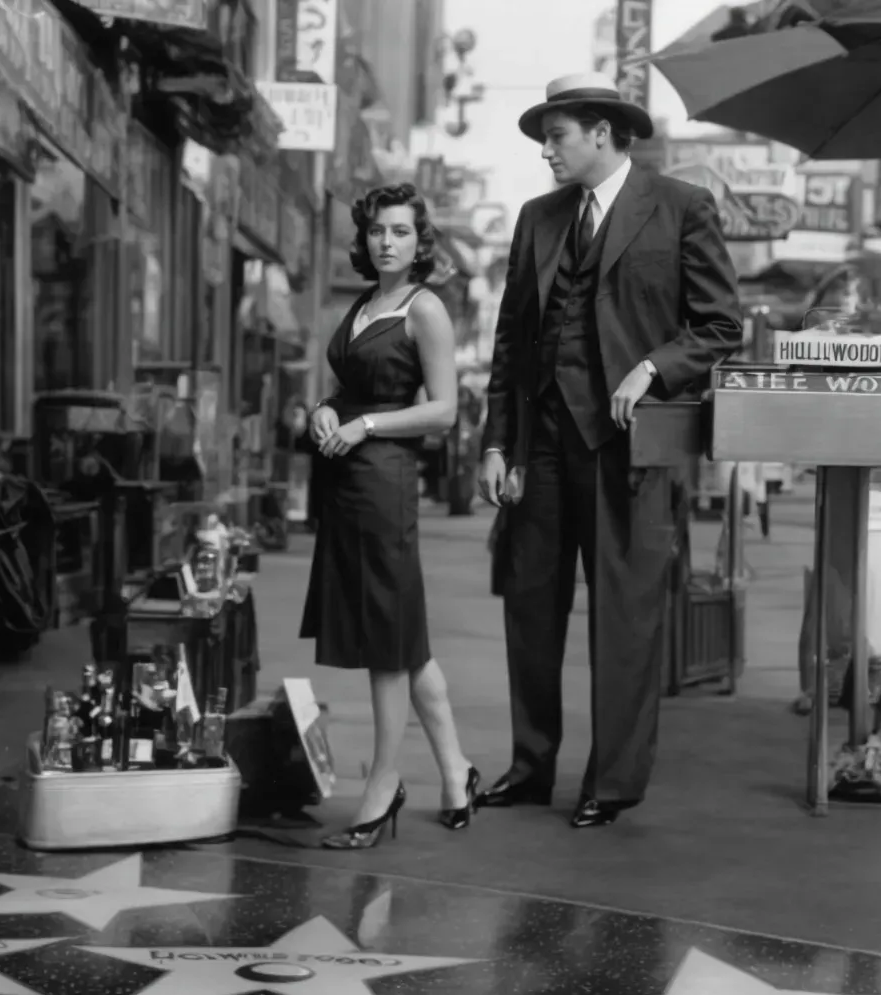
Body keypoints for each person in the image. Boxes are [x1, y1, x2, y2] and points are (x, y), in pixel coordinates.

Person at [477, 73, 743, 828]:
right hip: (543, 445)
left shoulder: (681, 206)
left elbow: (721, 326)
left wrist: (654, 367)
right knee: (531, 610)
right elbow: (510, 345)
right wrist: (497, 441)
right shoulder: (537, 218)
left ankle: (613, 782)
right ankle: (531, 769)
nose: (545, 153)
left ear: (602, 132)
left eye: (554, 137)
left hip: (629, 446)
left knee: (625, 620)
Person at [301, 184, 481, 848]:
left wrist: (366, 423)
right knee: (403, 635)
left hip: (384, 483)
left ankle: (384, 781)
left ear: (419, 242)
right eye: (378, 230)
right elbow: (353, 385)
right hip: (347, 478)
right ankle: (457, 771)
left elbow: (443, 411)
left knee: (386, 640)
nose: (387, 241)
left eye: (401, 232)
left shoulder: (423, 308)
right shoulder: (365, 303)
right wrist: (326, 407)